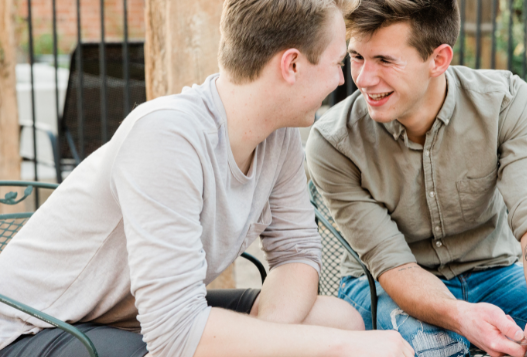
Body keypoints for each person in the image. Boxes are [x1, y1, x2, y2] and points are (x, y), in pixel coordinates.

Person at [0, 1, 416, 357]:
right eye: (337, 62)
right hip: (36, 327)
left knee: (338, 319)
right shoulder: (166, 135)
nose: (343, 80)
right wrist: (333, 349)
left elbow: (296, 254)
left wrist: (277, 341)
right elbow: (177, 337)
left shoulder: (281, 135)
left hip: (132, 318)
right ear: (291, 64)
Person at [306, 1, 527, 357]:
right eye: (357, 56)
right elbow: (392, 264)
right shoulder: (333, 142)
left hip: (495, 274)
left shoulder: (505, 103)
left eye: (385, 61)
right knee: (440, 348)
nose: (362, 79)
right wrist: (460, 316)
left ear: (438, 59)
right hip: (381, 285)